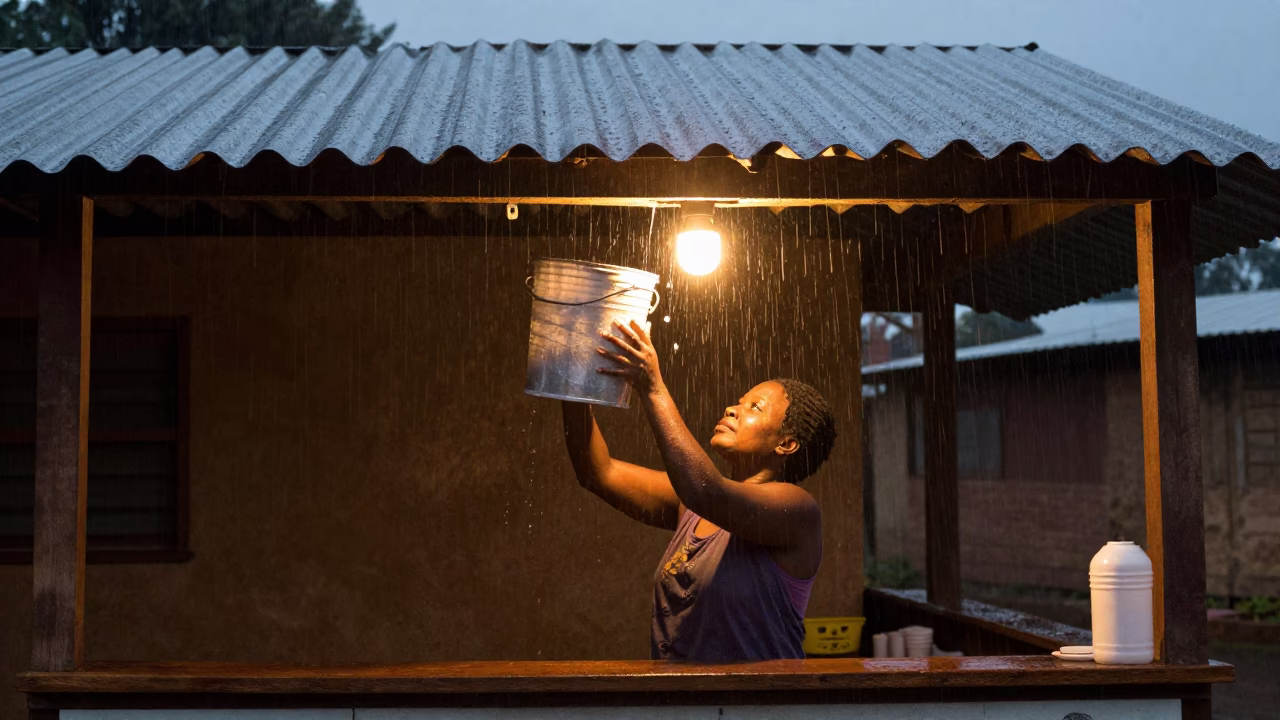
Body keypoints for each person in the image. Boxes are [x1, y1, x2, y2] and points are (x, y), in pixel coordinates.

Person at [560, 319, 837, 662]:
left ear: (788, 443)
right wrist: (572, 378)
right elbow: (597, 472)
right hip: (681, 710)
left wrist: (651, 386)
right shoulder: (691, 504)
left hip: (760, 711)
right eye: (740, 401)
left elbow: (706, 491)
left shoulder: (797, 511)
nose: (732, 409)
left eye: (755, 407)